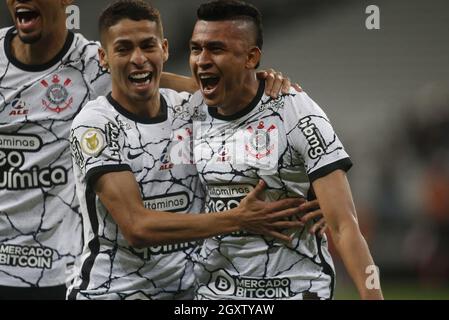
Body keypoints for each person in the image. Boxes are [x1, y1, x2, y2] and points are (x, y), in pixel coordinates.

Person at [0, 0, 296, 300]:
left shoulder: (185, 108)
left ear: (165, 50)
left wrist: (251, 83)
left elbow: (256, 135)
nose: (138, 59)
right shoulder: (94, 123)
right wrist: (238, 218)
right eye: (124, 49)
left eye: (147, 47)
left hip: (163, 287)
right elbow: (137, 227)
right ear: (106, 58)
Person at [189, 0, 383, 300]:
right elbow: (149, 81)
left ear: (251, 57)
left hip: (293, 290)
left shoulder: (296, 113)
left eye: (216, 49)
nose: (202, 59)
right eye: (195, 48)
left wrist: (373, 297)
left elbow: (344, 225)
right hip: (216, 294)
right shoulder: (189, 109)